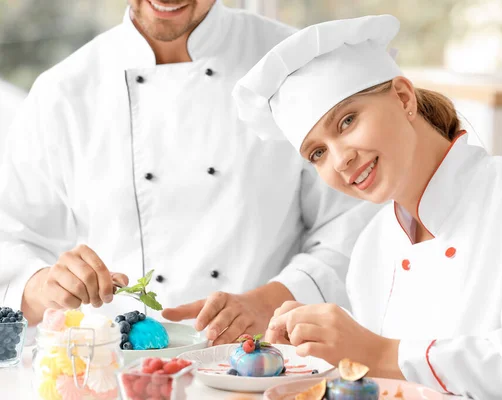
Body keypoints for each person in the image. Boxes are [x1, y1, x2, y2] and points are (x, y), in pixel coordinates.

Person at [233, 14, 502, 400]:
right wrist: (308, 351)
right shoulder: (372, 245)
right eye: (318, 153)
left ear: (404, 97)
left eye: (346, 121)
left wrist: (380, 353)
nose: (339, 160)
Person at [0, 0, 381, 346]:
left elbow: (354, 227)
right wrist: (46, 287)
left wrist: (269, 302)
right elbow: (11, 242)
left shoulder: (294, 66)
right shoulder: (63, 92)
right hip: (111, 372)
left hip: (265, 365)